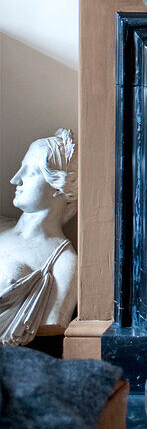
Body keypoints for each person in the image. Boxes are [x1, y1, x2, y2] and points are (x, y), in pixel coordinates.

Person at [0, 130, 78, 345]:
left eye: (31, 172)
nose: (15, 179)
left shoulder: (64, 261)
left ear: (58, 186)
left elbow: (53, 323)